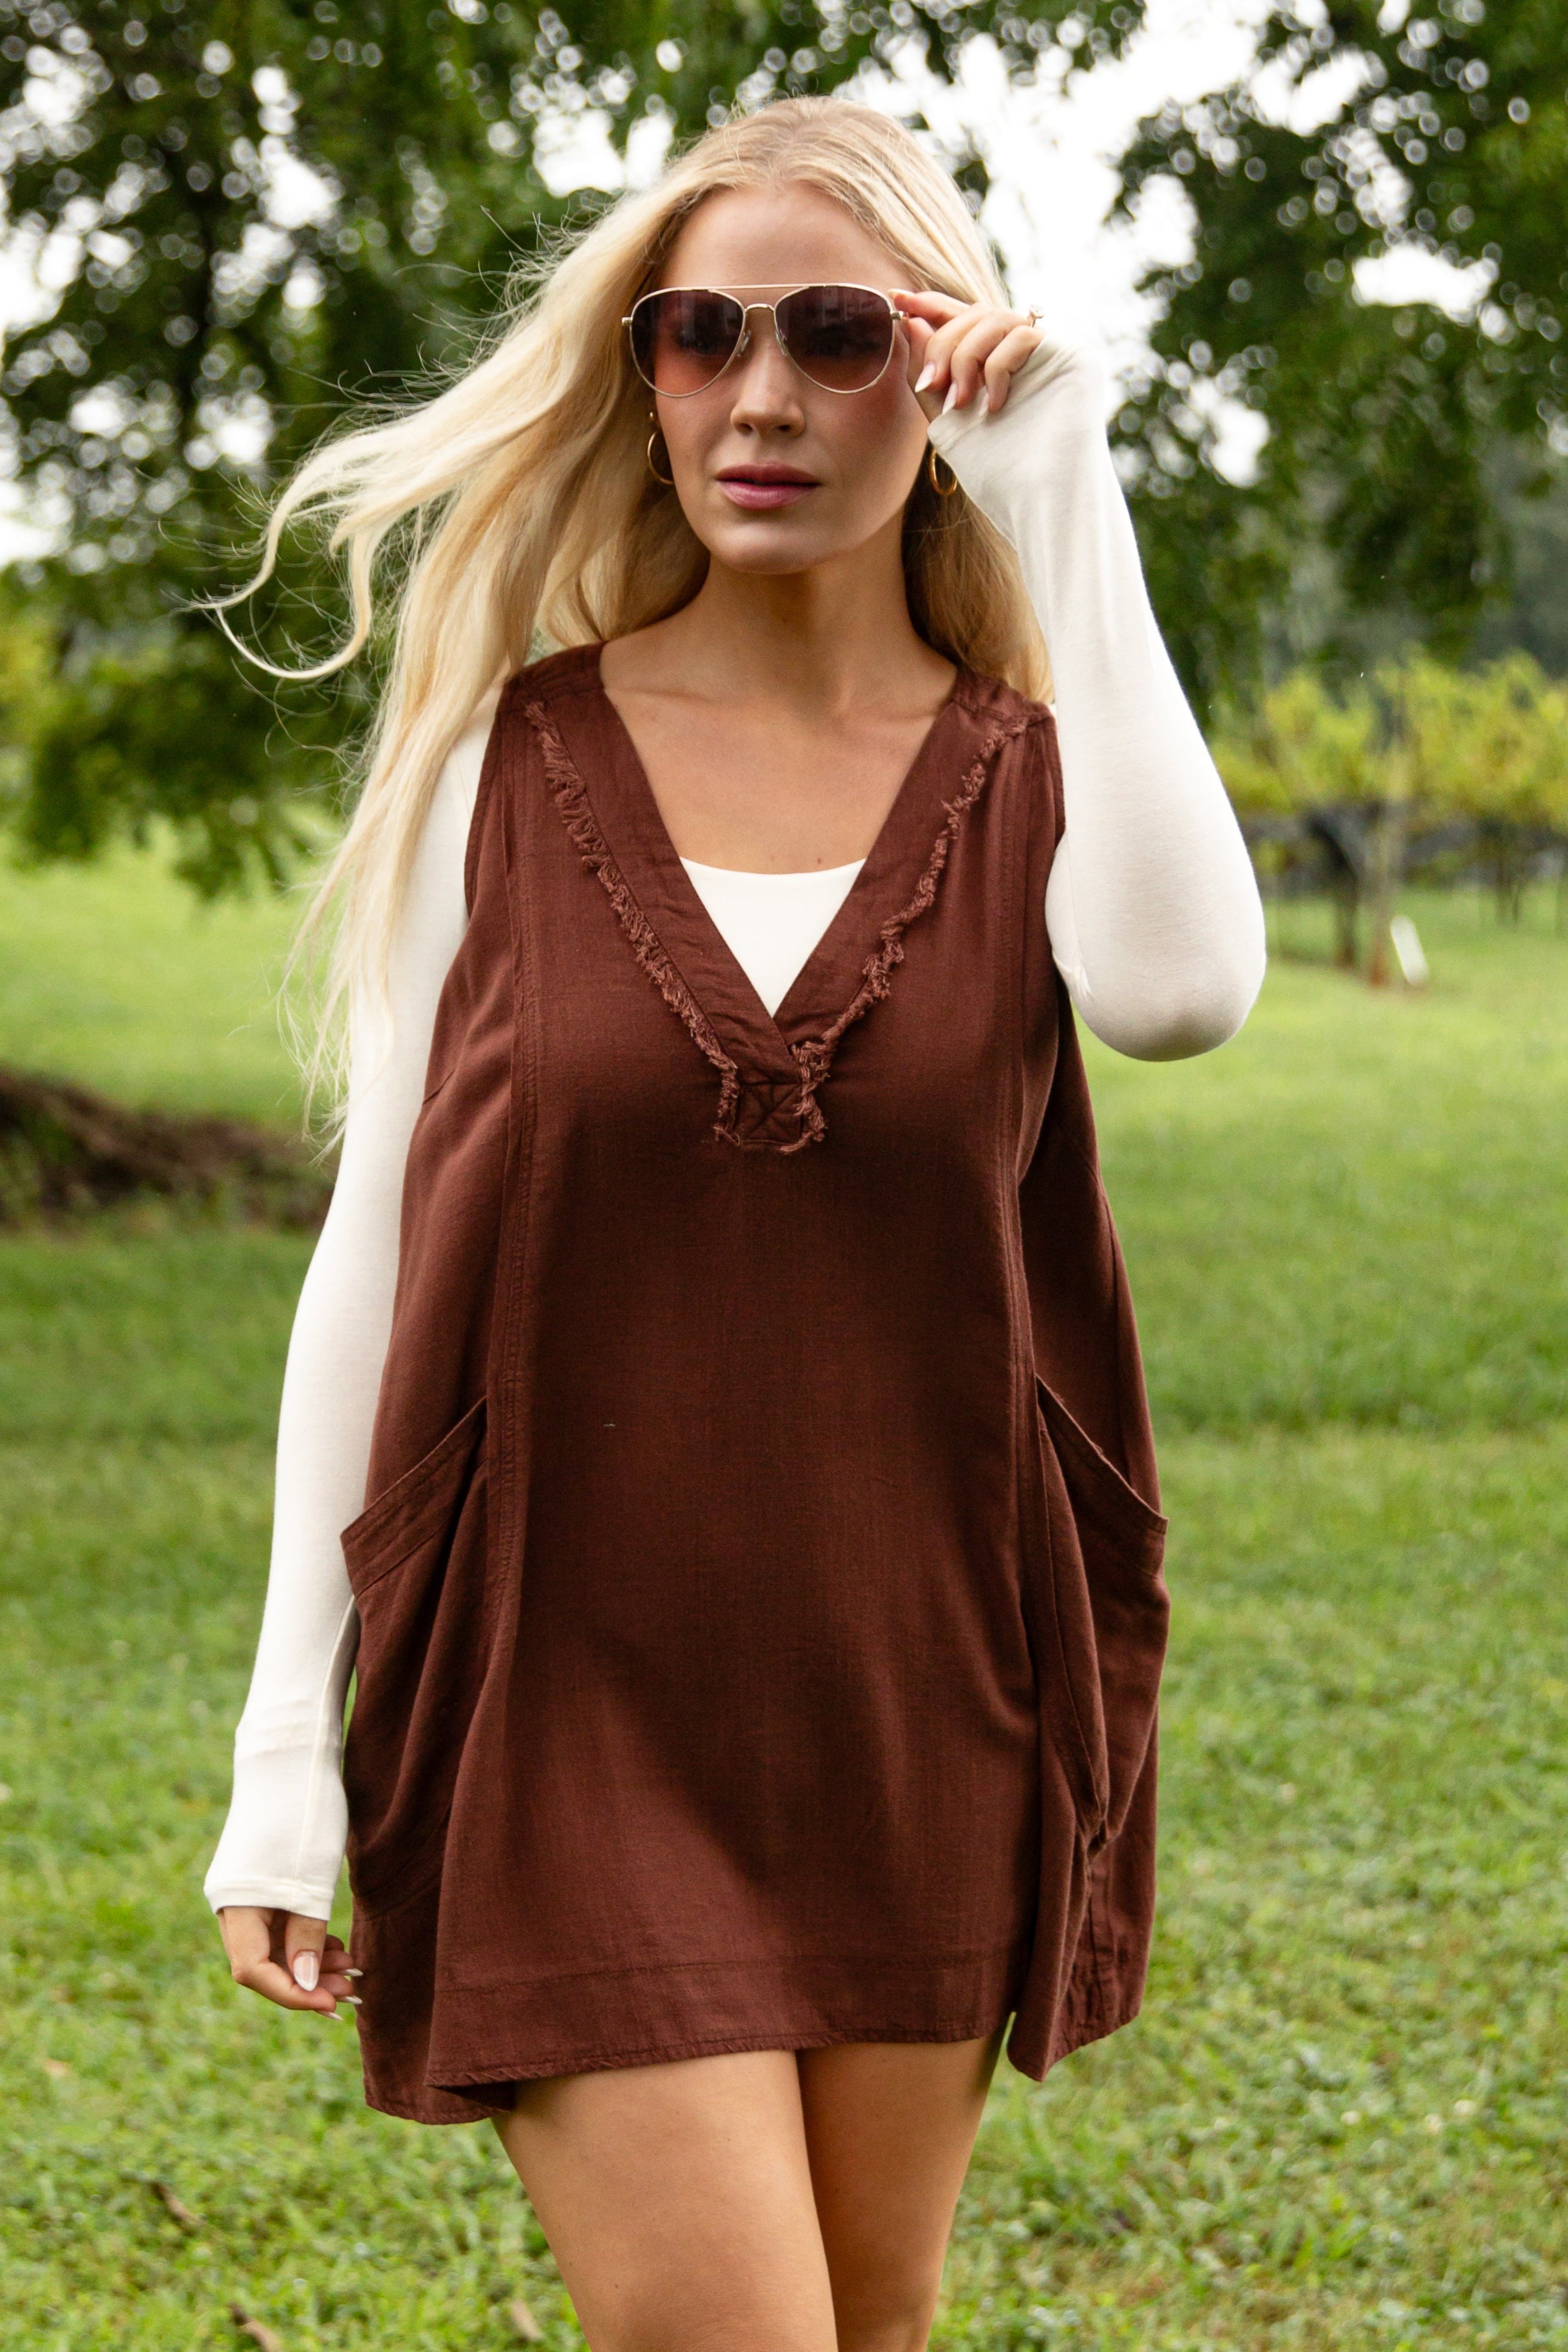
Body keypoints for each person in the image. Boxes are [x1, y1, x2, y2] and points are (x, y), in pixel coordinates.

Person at [205, 96, 1264, 2352]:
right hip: (565, 1694)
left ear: (938, 363)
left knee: (868, 2331)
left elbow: (1180, 994)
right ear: (641, 371)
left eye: (829, 332)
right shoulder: (502, 761)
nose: (758, 393)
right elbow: (377, 1236)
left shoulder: (1031, 773)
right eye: (697, 335)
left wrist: (1065, 489)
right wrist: (289, 1751)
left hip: (921, 1688)